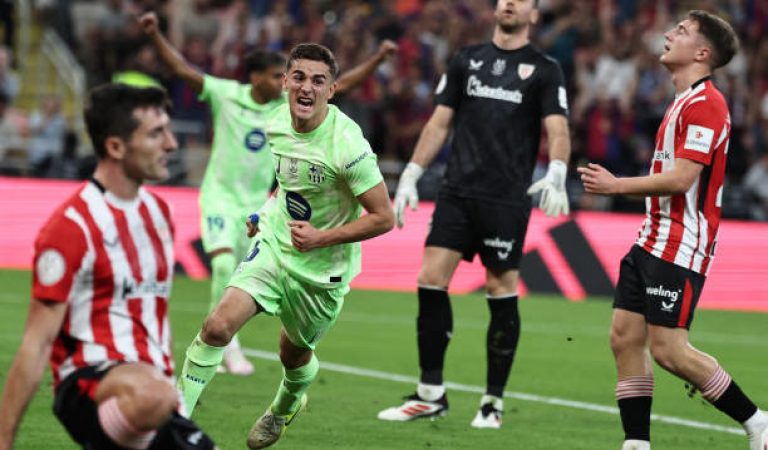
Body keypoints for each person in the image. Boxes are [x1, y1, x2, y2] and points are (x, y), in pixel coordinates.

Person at [140, 12, 397, 376]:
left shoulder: (286, 112)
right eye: (279, 76)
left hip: (263, 206)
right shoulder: (226, 94)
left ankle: (271, 360)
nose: (286, 84)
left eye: (285, 77)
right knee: (223, 265)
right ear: (256, 77)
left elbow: (339, 86)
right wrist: (154, 34)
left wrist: (378, 59)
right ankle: (228, 345)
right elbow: (182, 70)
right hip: (219, 198)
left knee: (281, 327)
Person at [176, 43, 394, 449]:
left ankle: (284, 408)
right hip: (276, 247)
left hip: (322, 270)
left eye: (318, 81)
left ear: (332, 90)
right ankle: (174, 426)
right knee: (216, 327)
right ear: (285, 83)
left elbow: (384, 217)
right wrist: (264, 211)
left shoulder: (348, 146)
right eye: (299, 77)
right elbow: (288, 185)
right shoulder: (277, 123)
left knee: (292, 356)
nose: (306, 87)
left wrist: (320, 237)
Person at [577, 10, 768, 450]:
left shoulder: (707, 104)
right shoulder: (683, 99)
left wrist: (615, 186)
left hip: (682, 242)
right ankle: (637, 443)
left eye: (681, 31)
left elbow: (682, 179)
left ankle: (757, 422)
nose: (667, 34)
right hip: (653, 236)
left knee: (669, 350)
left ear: (702, 53)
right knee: (625, 338)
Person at [377, 0, 571, 429]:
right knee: (430, 278)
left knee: (500, 288)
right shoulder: (467, 59)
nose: (509, 3)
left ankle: (492, 402)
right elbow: (439, 123)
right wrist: (411, 174)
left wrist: (557, 171)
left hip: (506, 198)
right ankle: (430, 394)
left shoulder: (545, 69)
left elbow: (557, 128)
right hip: (457, 191)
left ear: (533, 15)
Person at [0, 84, 217, 450]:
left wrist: (169, 391)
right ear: (116, 147)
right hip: (88, 382)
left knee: (157, 398)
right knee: (153, 396)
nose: (171, 144)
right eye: (156, 134)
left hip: (154, 392)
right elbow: (37, 344)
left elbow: (153, 317)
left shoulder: (158, 213)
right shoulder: (72, 226)